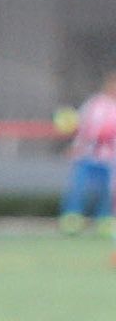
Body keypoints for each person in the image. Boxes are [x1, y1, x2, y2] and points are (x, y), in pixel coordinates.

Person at [58, 68, 116, 230]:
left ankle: (105, 221)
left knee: (106, 191)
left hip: (109, 160)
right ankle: (72, 219)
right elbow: (83, 128)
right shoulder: (94, 103)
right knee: (78, 188)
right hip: (87, 156)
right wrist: (76, 147)